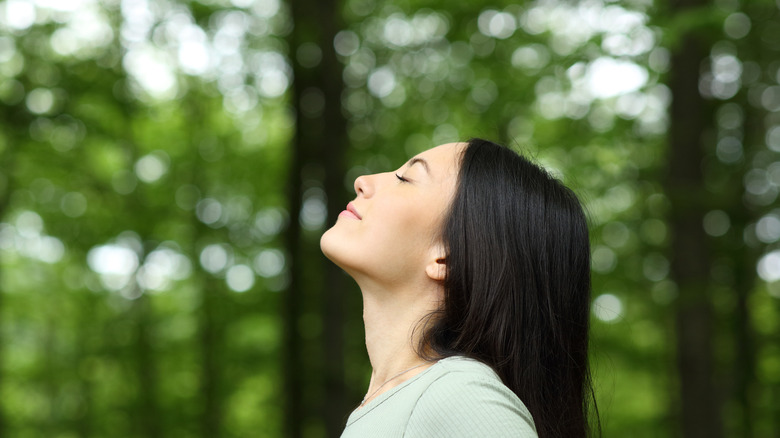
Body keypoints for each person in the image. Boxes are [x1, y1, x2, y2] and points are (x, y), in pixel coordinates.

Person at [320, 138, 598, 438]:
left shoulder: (458, 396)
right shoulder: (395, 404)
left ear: (446, 256)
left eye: (405, 178)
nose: (362, 181)